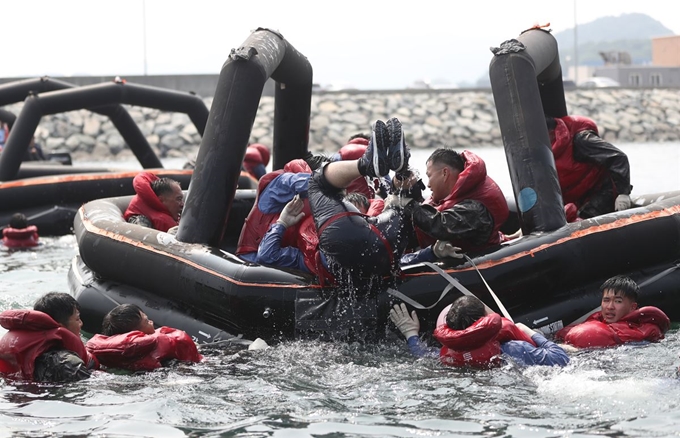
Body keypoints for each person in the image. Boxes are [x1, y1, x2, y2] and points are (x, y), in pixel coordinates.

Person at [306, 117, 417, 284]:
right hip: (386, 245)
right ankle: (402, 169)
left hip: (344, 248)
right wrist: (431, 253)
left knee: (316, 182)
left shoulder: (311, 211)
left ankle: (367, 164)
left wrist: (282, 224)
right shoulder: (372, 200)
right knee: (400, 203)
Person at [390, 297, 569, 368]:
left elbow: (421, 355)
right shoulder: (514, 349)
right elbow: (561, 358)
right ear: (485, 321)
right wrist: (529, 332)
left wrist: (410, 332)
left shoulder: (447, 357)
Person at [412, 148, 509, 253]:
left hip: (481, 262)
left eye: (429, 176)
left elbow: (442, 226)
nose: (428, 185)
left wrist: (410, 206)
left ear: (445, 173)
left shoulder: (476, 209)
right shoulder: (461, 193)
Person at [547, 115, 633, 219]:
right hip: (578, 198)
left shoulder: (581, 139)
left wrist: (623, 193)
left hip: (603, 189)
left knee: (586, 217)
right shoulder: (539, 156)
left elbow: (617, 157)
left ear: (552, 132)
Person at [0, 292, 99, 382]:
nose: (81, 323)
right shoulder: (68, 364)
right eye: (77, 319)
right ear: (60, 326)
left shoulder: (29, 348)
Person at [554, 275, 670, 348]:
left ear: (632, 307)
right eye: (606, 300)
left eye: (618, 301)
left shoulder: (644, 330)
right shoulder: (596, 319)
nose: (610, 306)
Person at [85, 304, 203, 371]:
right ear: (136, 335)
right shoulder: (164, 358)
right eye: (146, 321)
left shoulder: (106, 360)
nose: (151, 322)